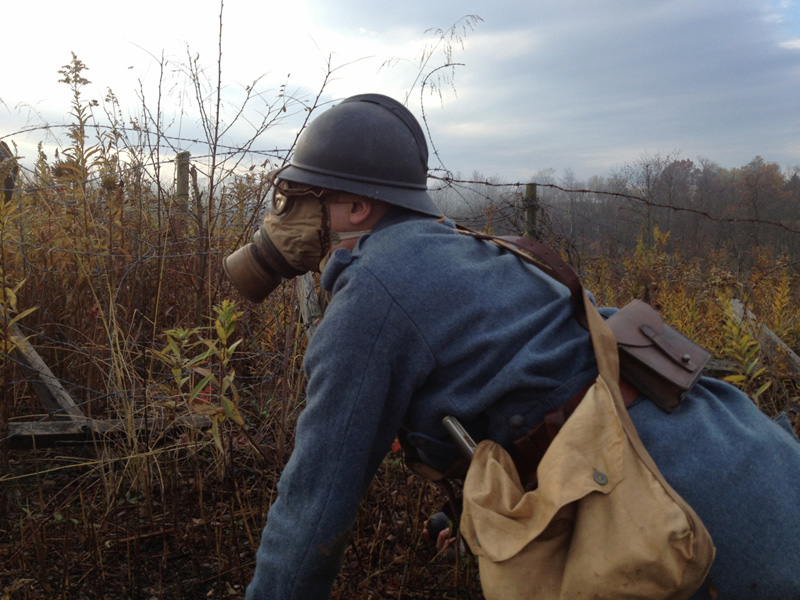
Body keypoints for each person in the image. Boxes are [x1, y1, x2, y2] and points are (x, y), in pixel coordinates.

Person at [224, 93, 800, 599]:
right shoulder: (484, 250)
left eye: (306, 199)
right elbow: (558, 386)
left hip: (688, 524)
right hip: (749, 454)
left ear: (357, 207)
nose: (291, 218)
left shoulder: (370, 296)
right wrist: (476, 509)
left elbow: (313, 507)